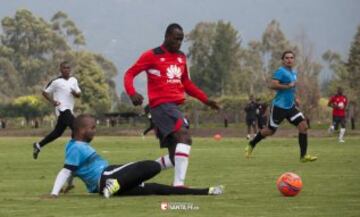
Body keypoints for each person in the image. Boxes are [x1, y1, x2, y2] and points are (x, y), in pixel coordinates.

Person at [123, 23, 220, 187]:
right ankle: (179, 185)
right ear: (167, 37)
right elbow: (129, 74)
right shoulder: (151, 55)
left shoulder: (181, 57)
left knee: (176, 157)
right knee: (185, 137)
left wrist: (205, 99)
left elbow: (186, 83)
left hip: (172, 107)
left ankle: (136, 176)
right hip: (161, 106)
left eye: (181, 40)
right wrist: (132, 93)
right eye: (176, 39)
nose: (179, 43)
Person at [45, 114, 224, 199]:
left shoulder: (76, 147)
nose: (94, 130)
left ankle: (207, 191)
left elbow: (71, 171)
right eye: (92, 128)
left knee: (156, 188)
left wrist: (67, 187)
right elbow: (66, 171)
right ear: (82, 130)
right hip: (107, 176)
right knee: (151, 166)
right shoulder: (76, 147)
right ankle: (114, 185)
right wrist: (54, 193)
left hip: (108, 182)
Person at [244, 50, 317, 162]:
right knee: (270, 131)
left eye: (291, 58)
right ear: (283, 60)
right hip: (279, 107)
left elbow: (291, 89)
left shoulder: (293, 73)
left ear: (294, 60)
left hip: (290, 106)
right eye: (287, 58)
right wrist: (288, 85)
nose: (289, 60)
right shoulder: (280, 71)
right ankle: (251, 144)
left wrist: (294, 98)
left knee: (303, 126)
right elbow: (273, 85)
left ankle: (303, 156)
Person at [33, 61, 81, 159]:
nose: (66, 70)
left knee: (57, 133)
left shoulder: (74, 80)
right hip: (62, 109)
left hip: (69, 109)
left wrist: (74, 93)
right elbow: (45, 93)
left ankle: (38, 145)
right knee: (76, 128)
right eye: (64, 68)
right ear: (60, 70)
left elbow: (78, 94)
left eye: (68, 68)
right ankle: (74, 152)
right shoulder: (56, 82)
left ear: (70, 69)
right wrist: (53, 101)